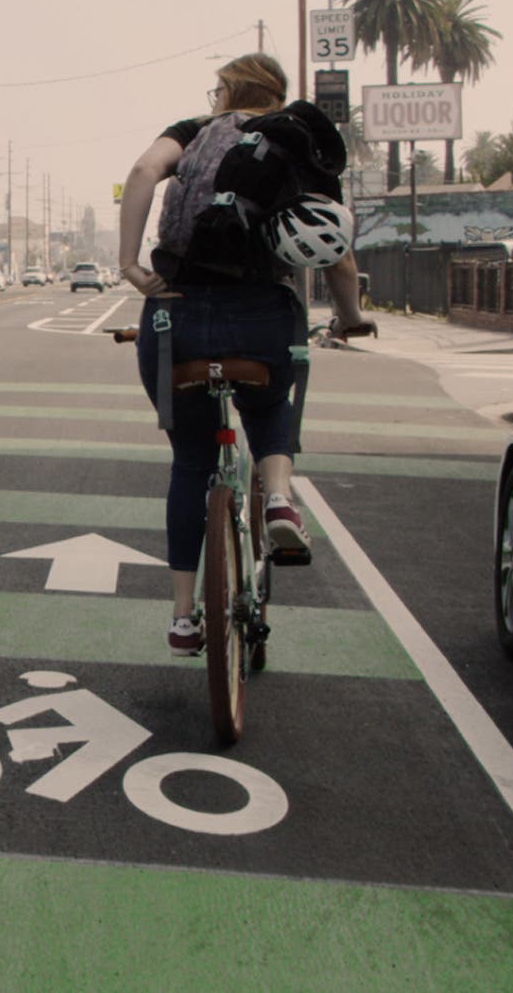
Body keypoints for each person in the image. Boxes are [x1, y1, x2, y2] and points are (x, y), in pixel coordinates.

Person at [116, 54, 373, 656]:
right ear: (276, 94)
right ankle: (279, 496)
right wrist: (353, 317)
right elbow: (334, 249)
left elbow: (139, 172)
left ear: (224, 91)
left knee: (190, 462)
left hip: (174, 313)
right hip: (263, 310)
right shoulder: (295, 139)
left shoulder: (191, 133)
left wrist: (131, 265)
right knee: (268, 405)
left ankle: (183, 616)